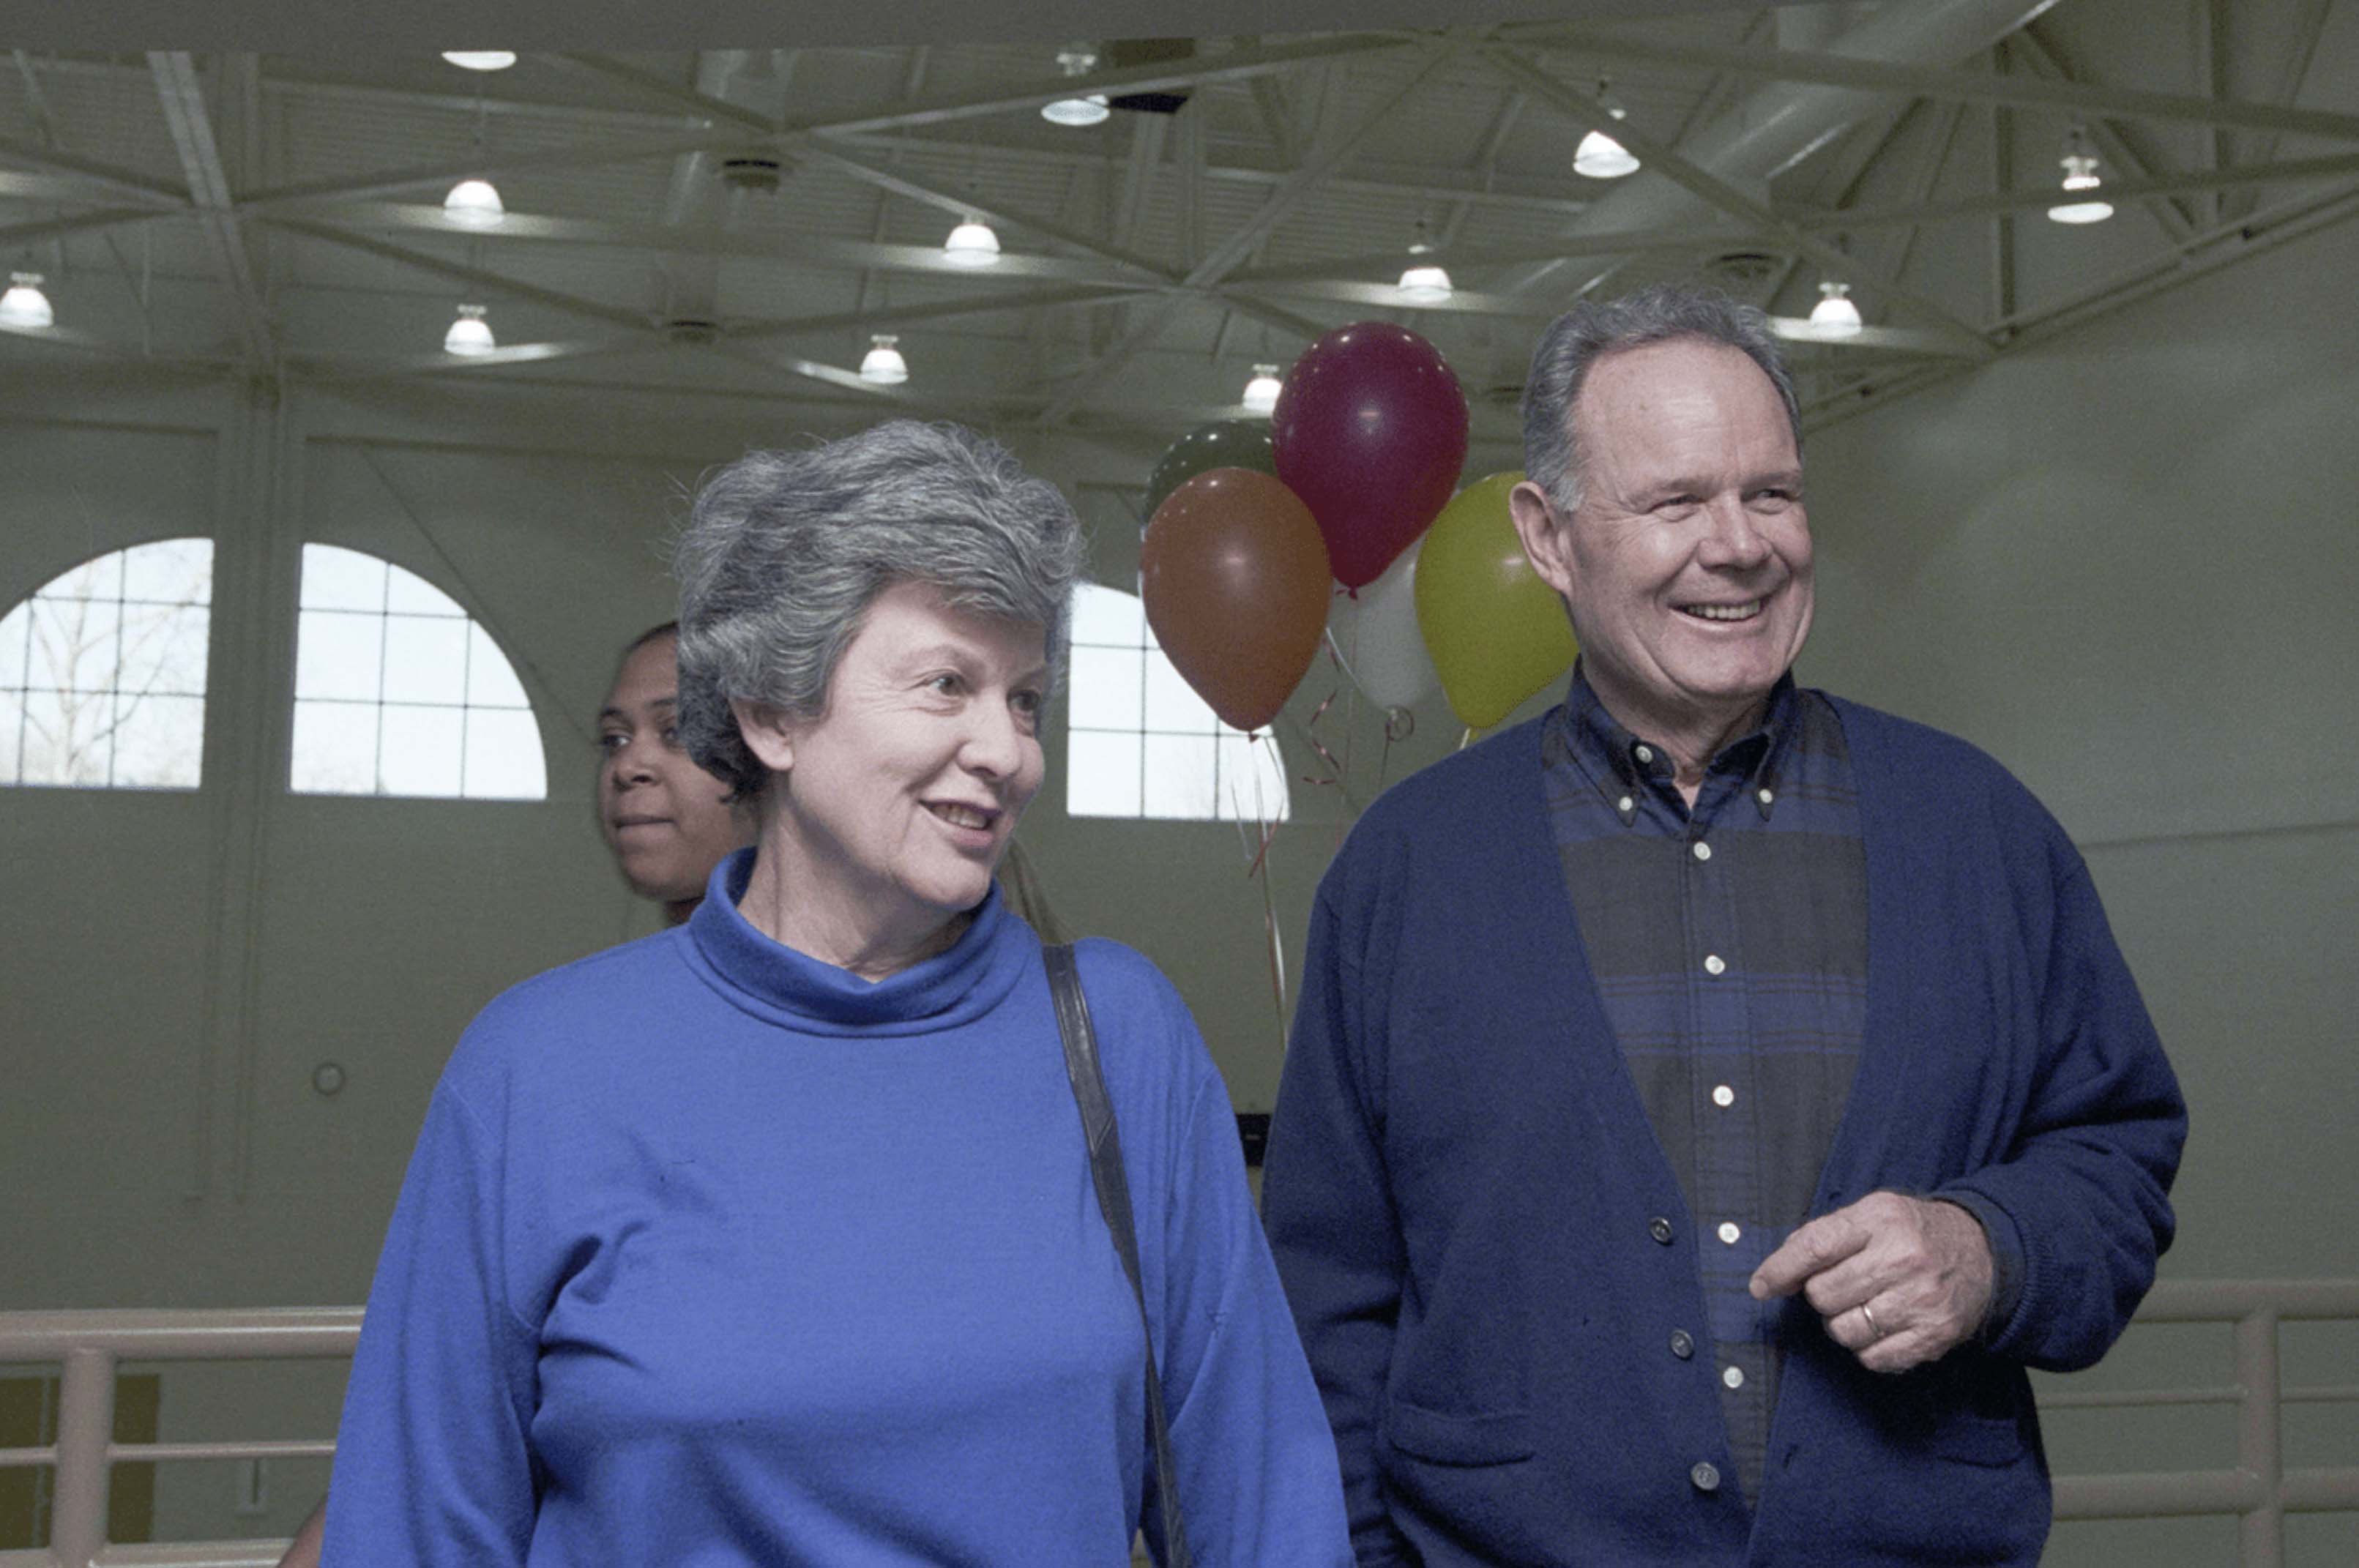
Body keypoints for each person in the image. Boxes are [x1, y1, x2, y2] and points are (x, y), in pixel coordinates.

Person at [1260, 285, 2185, 1567]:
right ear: (1547, 534)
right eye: (1674, 501)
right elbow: (1327, 1313)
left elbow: (2115, 1160)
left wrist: (1989, 1248)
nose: (1738, 545)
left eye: (1771, 494)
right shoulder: (1405, 874)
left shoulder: (1979, 830)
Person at [322, 420, 1350, 1565]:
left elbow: (1262, 1507)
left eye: (1024, 698)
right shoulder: (538, 1067)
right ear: (771, 712)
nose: (1007, 751)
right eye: (946, 685)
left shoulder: (1120, 1036)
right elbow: (414, 1527)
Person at [274, 621, 753, 1568]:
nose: (631, 767)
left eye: (673, 730)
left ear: (778, 746)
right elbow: (470, 1414)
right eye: (615, 738)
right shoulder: (553, 1045)